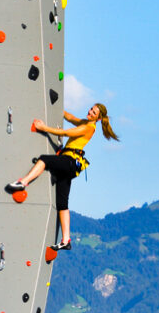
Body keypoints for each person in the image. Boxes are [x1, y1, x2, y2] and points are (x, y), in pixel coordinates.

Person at [6, 103, 119, 250]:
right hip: (71, 166)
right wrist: (59, 109)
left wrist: (44, 128)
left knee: (44, 159)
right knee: (62, 203)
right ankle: (66, 240)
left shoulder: (88, 127)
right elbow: (71, 118)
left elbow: (67, 133)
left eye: (94, 112)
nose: (90, 112)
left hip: (70, 161)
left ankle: (23, 182)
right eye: (91, 109)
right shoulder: (86, 123)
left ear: (98, 118)